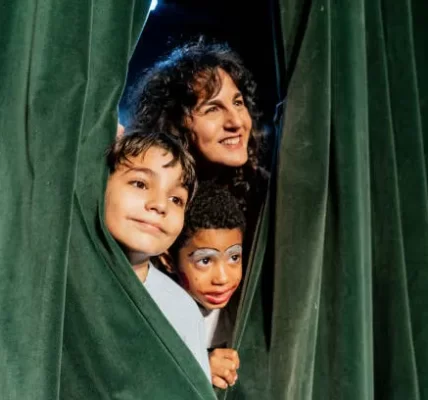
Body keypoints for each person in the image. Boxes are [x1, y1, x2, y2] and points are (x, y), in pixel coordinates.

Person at [129, 39, 269, 244]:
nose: (237, 122)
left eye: (238, 103)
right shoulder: (151, 199)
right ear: (175, 123)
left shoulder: (266, 193)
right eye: (213, 109)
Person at [104, 130, 211, 380]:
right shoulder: (63, 279)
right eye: (140, 184)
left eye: (176, 199)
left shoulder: (182, 310)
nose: (160, 205)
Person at [166, 181, 246, 389]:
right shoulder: (163, 313)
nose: (222, 278)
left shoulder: (242, 308)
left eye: (234, 257)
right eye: (205, 260)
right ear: (168, 261)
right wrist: (200, 366)